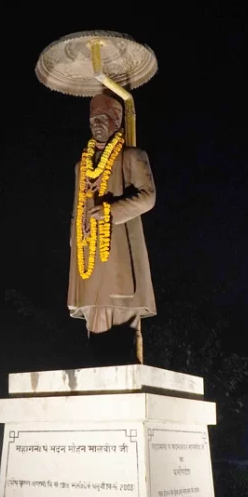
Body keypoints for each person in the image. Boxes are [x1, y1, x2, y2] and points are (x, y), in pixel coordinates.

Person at [68, 92, 156, 365]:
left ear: (117, 121)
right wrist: (76, 237)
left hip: (119, 252)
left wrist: (111, 211)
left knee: (120, 311)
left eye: (103, 118)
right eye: (93, 118)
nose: (96, 123)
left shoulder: (133, 156)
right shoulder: (81, 165)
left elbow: (148, 197)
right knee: (95, 314)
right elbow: (76, 208)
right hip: (89, 257)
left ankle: (124, 365)